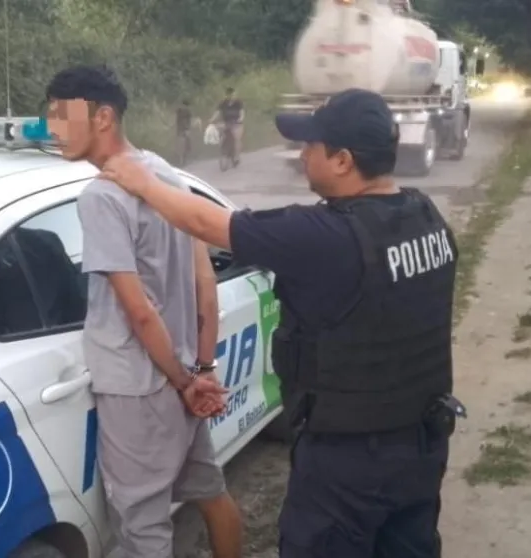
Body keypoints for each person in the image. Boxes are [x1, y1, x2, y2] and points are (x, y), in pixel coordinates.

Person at [98, 88, 466, 558]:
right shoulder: (426, 217)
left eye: (312, 145)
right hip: (421, 445)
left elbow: (210, 223)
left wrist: (143, 183)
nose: (302, 154)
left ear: (343, 160)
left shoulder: (327, 237)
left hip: (346, 465)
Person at [44, 64, 245, 558]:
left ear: (103, 117)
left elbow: (139, 312)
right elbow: (205, 282)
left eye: (60, 115)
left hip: (138, 389)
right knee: (211, 495)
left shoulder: (101, 197)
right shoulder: (163, 172)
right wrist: (199, 370)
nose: (52, 128)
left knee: (142, 529)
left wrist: (183, 381)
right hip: (180, 378)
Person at [210, 88, 244, 165]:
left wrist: (240, 119)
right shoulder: (223, 103)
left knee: (237, 139)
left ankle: (236, 156)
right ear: (226, 95)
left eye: (233, 95)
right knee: (221, 133)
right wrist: (212, 119)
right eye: (229, 95)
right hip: (226, 122)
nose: (231, 96)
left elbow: (242, 112)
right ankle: (223, 150)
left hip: (236, 123)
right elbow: (217, 112)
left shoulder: (238, 102)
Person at [176, 99, 194, 165]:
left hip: (180, 129)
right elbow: (189, 121)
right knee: (187, 142)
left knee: (180, 142)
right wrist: (189, 128)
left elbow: (177, 119)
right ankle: (186, 154)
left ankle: (181, 158)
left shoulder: (179, 110)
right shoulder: (188, 110)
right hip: (185, 129)